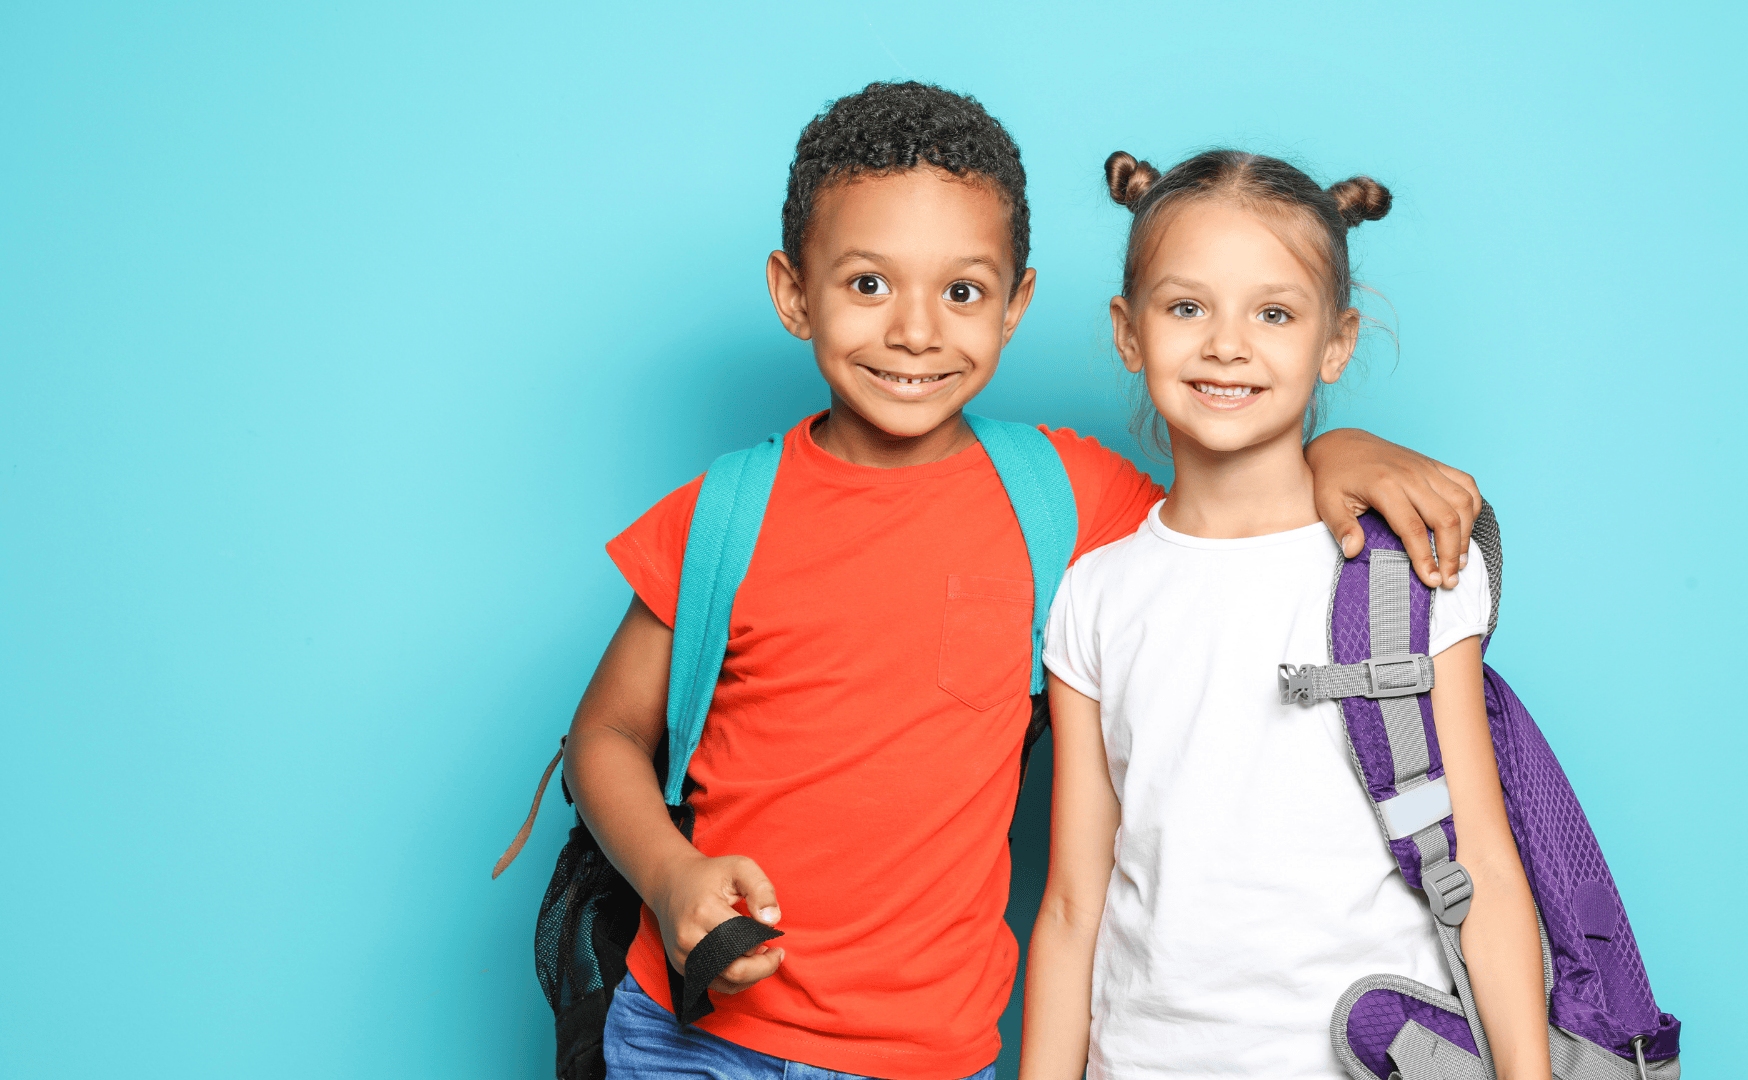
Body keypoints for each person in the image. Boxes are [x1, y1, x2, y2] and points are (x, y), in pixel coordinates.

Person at [566, 83, 1486, 1080]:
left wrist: (1341, 448)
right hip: (688, 1034)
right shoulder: (722, 515)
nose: (916, 331)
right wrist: (670, 873)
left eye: (962, 293)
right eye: (868, 284)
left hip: (921, 1057)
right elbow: (604, 735)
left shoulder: (1064, 497)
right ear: (793, 293)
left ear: (1017, 304)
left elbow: (1229, 513)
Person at [1020, 150, 1551, 1080]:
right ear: (1129, 332)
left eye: (1274, 313)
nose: (1228, 345)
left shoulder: (1412, 565)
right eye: (1187, 308)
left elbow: (1487, 867)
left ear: (1335, 343)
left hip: (1374, 1058)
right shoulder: (1094, 596)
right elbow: (1071, 904)